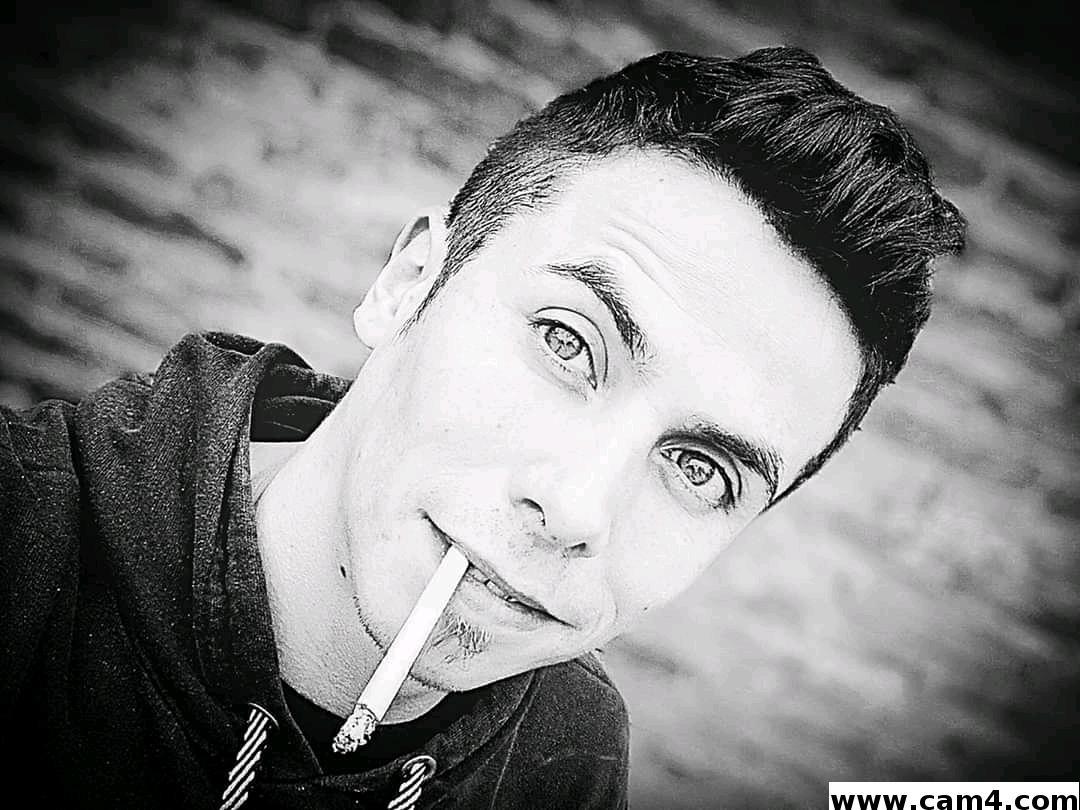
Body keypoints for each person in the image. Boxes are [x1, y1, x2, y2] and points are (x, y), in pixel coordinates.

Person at [0, 46, 964, 808]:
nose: (577, 507)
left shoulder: (569, 760)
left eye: (703, 469)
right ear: (407, 282)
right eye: (567, 341)